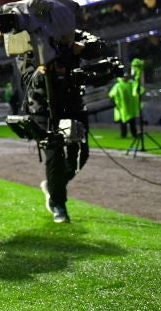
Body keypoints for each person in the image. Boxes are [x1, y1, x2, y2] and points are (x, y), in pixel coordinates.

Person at [21, 29, 110, 223]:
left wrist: (83, 48)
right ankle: (58, 204)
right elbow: (26, 79)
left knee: (80, 155)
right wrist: (40, 72)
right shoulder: (29, 42)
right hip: (44, 109)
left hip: (72, 105)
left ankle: (54, 186)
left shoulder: (70, 33)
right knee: (55, 156)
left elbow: (101, 45)